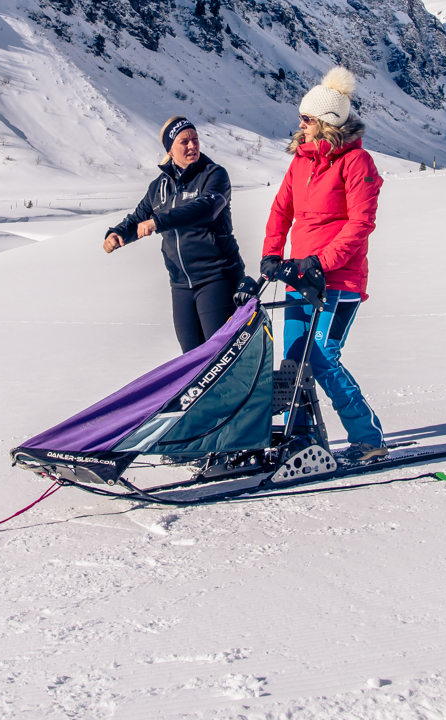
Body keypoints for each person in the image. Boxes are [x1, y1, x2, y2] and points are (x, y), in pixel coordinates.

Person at [259, 66, 388, 463]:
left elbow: (360, 224)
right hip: (301, 276)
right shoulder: (301, 161)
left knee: (322, 355)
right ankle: (302, 437)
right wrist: (271, 254)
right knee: (294, 357)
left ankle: (368, 437)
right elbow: (281, 209)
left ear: (327, 123)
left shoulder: (357, 163)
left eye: (307, 118)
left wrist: (320, 262)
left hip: (339, 279)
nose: (300, 124)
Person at [104, 117, 245, 353]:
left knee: (219, 357)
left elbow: (207, 209)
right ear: (170, 150)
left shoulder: (214, 175)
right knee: (190, 359)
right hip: (180, 284)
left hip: (216, 277)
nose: (192, 146)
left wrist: (158, 221)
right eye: (184, 141)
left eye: (195, 139)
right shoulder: (159, 187)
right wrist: (118, 233)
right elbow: (138, 217)